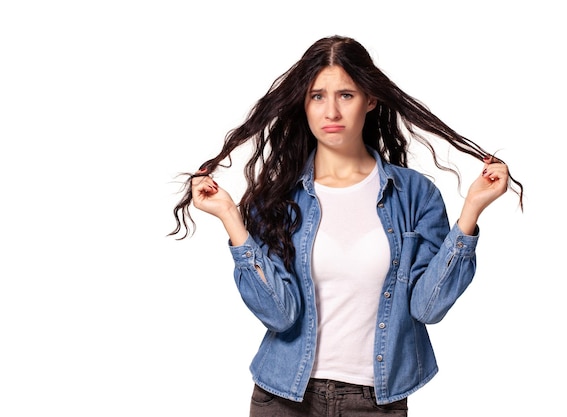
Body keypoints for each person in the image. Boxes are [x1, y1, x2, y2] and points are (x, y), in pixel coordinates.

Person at [170, 35, 523, 416]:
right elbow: (280, 314)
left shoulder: (415, 195)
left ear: (370, 99)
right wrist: (231, 220)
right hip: (284, 396)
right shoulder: (279, 198)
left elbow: (427, 308)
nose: (331, 112)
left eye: (347, 95)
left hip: (375, 402)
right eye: (317, 96)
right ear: (303, 103)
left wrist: (470, 212)